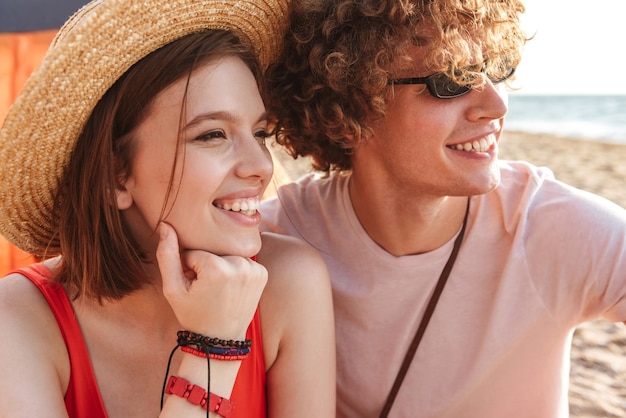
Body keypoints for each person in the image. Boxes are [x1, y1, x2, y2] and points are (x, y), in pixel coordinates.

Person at [259, 0, 626, 417]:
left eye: (496, 68)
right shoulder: (279, 241)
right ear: (348, 110)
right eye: (451, 80)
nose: (496, 105)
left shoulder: (548, 227)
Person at [0, 0, 335, 417]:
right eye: (212, 134)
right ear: (115, 176)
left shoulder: (288, 284)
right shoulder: (18, 319)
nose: (261, 166)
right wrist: (212, 347)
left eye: (260, 132)